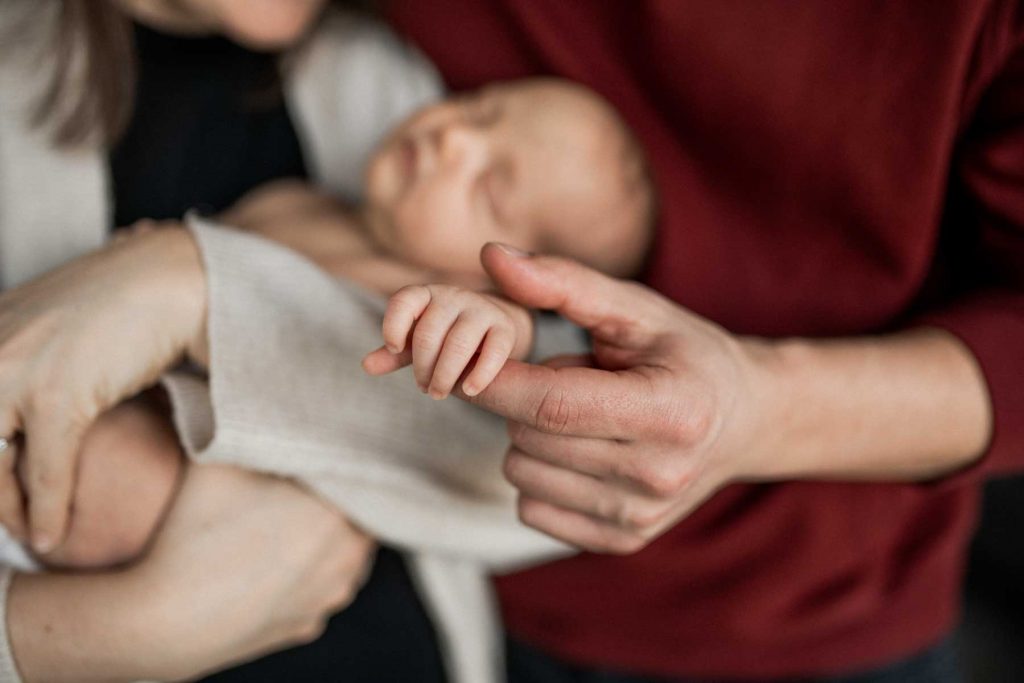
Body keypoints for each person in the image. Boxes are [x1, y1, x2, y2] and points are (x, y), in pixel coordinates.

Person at [40, 76, 654, 574]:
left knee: (118, 480)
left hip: (211, 453)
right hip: (130, 365)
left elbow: (508, 338)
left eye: (489, 188)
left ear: (519, 274)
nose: (453, 139)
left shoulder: (451, 296)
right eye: (476, 109)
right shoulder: (299, 200)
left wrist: (490, 323)